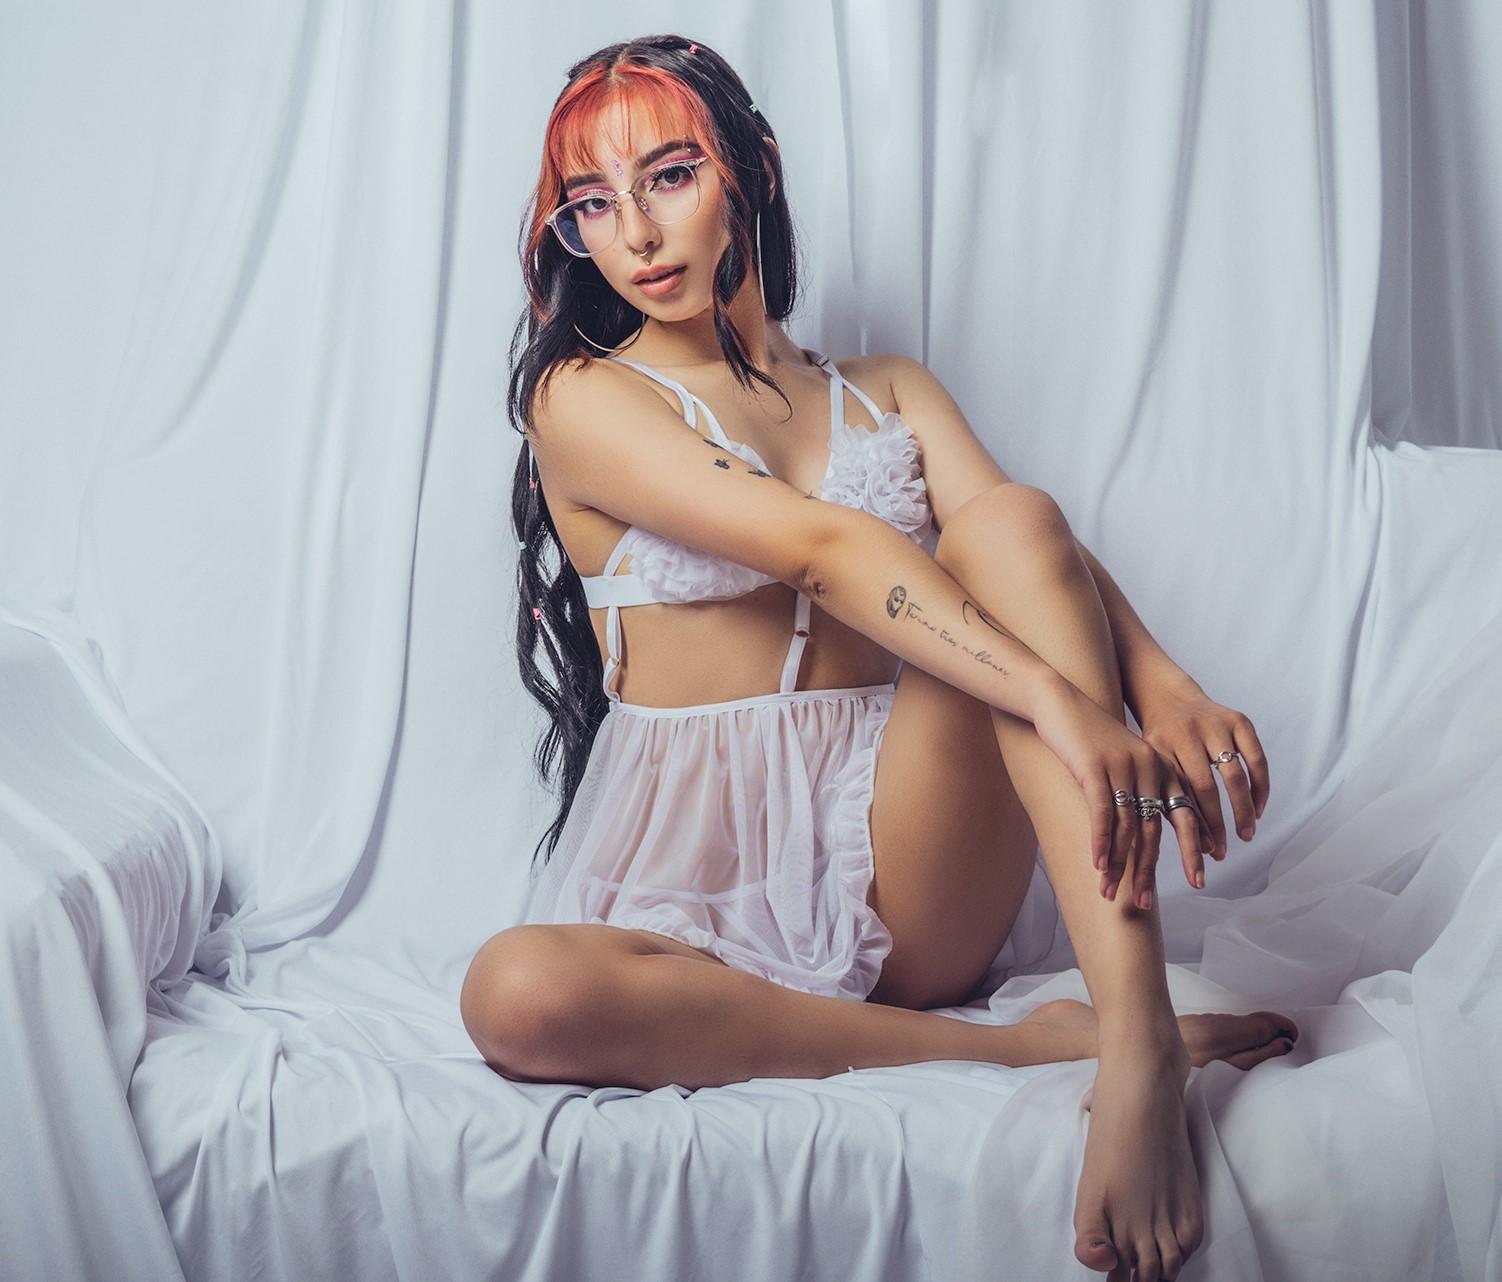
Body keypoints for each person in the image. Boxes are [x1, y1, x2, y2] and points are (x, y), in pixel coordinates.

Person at [461, 33, 1299, 1281]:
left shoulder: (884, 389)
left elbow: (1030, 550)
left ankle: (1138, 1044)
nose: (633, 233)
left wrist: (1162, 686)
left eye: (669, 176)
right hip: (692, 913)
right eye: (592, 202)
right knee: (513, 992)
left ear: (751, 166)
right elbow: (818, 548)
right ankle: (1017, 1044)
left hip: (904, 867)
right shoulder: (583, 398)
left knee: (1006, 518)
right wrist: (1060, 703)